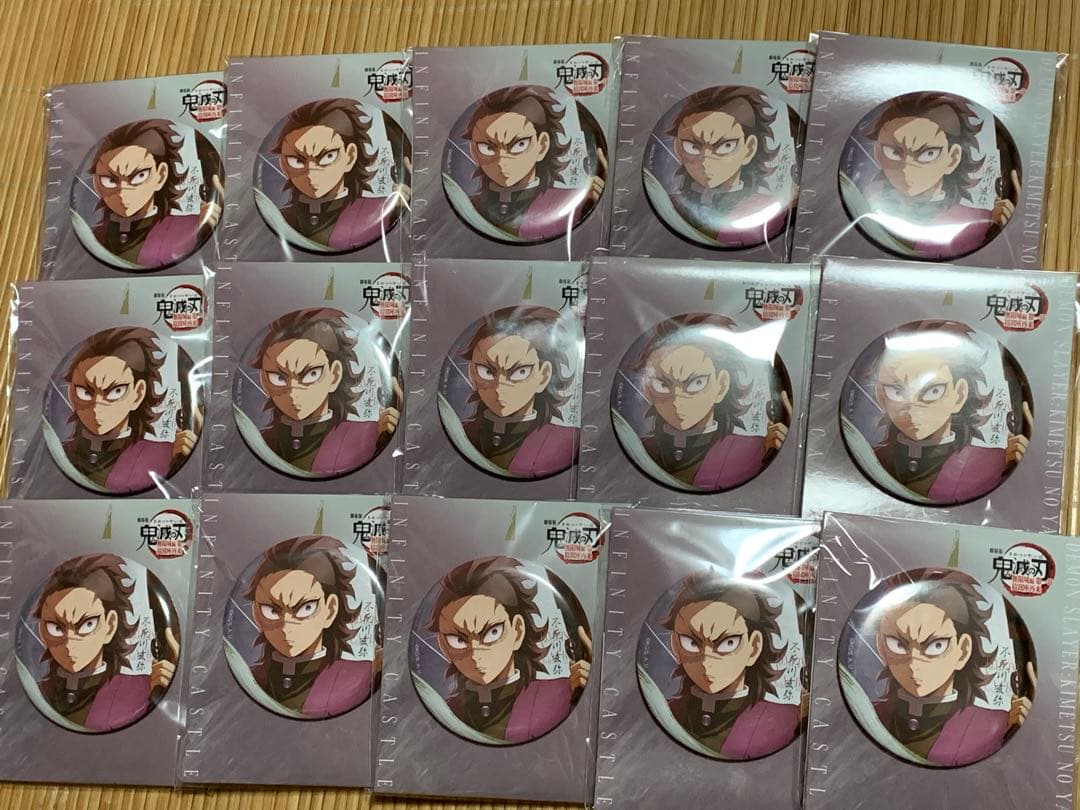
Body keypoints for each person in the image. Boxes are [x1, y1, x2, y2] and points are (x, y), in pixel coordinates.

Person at [871, 569, 1033, 766]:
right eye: (898, 645)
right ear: (881, 647)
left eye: (936, 646)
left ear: (963, 650)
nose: (914, 664)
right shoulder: (871, 715)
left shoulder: (997, 724)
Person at [427, 556, 591, 742]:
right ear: (443, 646)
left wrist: (586, 693)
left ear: (517, 631)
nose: (476, 654)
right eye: (458, 640)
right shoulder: (446, 710)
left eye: (492, 633)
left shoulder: (560, 692)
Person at [869, 320, 1029, 503]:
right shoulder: (871, 457)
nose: (913, 408)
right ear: (880, 395)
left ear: (959, 394)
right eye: (897, 392)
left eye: (933, 391)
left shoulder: (992, 462)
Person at [631, 313, 789, 490]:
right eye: (662, 385)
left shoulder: (755, 449)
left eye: (696, 383)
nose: (677, 400)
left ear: (721, 385)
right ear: (647, 388)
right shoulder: (639, 447)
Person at [859, 92, 1017, 258]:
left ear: (952, 158)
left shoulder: (979, 220)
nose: (907, 169)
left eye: (928, 154)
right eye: (894, 152)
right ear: (878, 153)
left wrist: (1001, 227)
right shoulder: (862, 201)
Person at [660, 574, 801, 759]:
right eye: (691, 643)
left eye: (728, 643)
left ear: (754, 647)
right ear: (675, 646)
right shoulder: (666, 712)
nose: (706, 661)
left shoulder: (782, 718)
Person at [34, 554, 178, 731]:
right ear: (42, 630)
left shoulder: (140, 689)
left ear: (110, 625)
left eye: (87, 625)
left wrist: (171, 689)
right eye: (56, 628)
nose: (70, 643)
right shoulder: (39, 691)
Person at [252, 307, 400, 475]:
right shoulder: (260, 441)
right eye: (279, 378)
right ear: (264, 381)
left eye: (311, 374)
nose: (293, 392)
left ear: (334, 375)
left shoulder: (369, 435)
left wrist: (385, 437)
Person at [245, 536, 375, 717]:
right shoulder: (250, 678)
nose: (286, 626)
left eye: (306, 608)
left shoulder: (359, 676)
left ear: (330, 610)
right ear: (257, 615)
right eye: (272, 611)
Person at [62, 327, 197, 493]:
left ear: (138, 393)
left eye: (116, 391)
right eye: (85, 392)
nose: (97, 407)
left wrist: (187, 460)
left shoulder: (163, 454)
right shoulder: (62, 453)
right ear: (71, 394)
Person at [462, 85, 604, 241]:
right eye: (488, 148)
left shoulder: (569, 201)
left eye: (519, 145)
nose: (502, 161)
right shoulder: (469, 206)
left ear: (542, 145)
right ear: (474, 150)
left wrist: (594, 205)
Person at [458, 306, 577, 478]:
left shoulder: (568, 440)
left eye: (520, 372)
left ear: (543, 376)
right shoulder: (461, 433)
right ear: (472, 373)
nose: (500, 387)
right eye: (487, 372)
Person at [272, 99, 407, 250]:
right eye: (297, 161)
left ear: (350, 156)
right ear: (283, 165)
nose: (311, 173)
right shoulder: (279, 217)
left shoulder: (379, 210)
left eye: (327, 157)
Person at [664, 86, 788, 247]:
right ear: (678, 148)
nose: (706, 161)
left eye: (726, 146)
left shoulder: (767, 210)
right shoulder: (669, 204)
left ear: (749, 148)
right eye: (692, 147)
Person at [90, 119, 222, 267]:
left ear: (161, 175)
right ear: (96, 184)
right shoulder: (92, 236)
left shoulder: (191, 226)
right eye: (110, 180)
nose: (123, 192)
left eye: (140, 176)